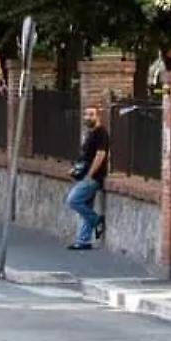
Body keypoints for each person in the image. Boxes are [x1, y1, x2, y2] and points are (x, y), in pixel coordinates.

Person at [67, 107, 110, 250]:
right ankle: (83, 241)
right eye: (86, 115)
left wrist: (90, 175)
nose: (87, 117)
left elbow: (100, 155)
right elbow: (85, 156)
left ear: (98, 116)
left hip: (93, 177)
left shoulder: (101, 133)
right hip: (84, 175)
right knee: (87, 205)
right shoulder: (90, 133)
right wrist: (75, 170)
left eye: (91, 115)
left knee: (73, 200)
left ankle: (97, 220)